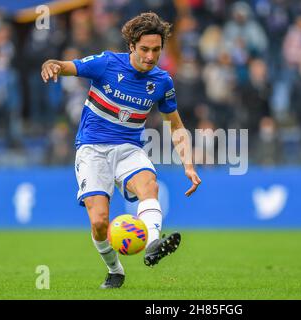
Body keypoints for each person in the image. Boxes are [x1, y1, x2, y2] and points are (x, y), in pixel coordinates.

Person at [41, 12, 201, 289]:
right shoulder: (106, 63)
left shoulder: (162, 81)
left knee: (149, 186)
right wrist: (50, 65)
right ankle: (115, 270)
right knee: (100, 222)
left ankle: (152, 244)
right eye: (145, 49)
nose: (151, 56)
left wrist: (188, 164)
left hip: (129, 148)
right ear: (131, 46)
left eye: (156, 50)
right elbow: (65, 66)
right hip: (92, 149)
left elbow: (175, 126)